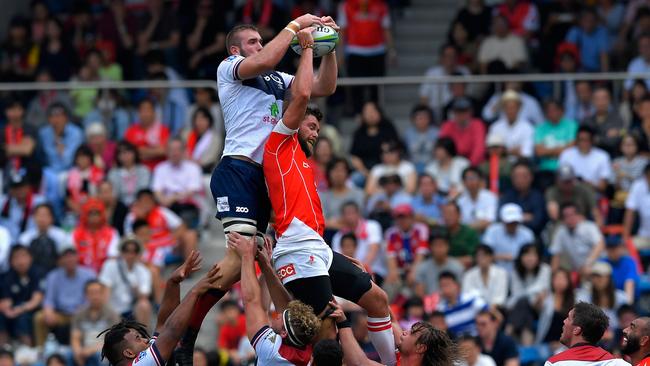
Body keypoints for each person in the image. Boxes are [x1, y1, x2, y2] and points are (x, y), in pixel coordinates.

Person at [187, 13, 339, 353]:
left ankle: (189, 323)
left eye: (260, 39)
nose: (259, 45)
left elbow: (323, 87)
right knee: (234, 260)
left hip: (264, 176)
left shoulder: (275, 78)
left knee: (249, 257)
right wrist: (296, 25)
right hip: (238, 169)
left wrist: (328, 48)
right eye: (252, 41)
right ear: (235, 49)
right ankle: (187, 327)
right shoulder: (229, 68)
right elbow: (268, 55)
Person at [261, 39, 396, 364]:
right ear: (293, 122)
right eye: (310, 124)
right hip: (296, 247)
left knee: (378, 299)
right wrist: (308, 47)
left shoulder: (306, 164)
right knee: (328, 330)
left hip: (316, 247)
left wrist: (330, 47)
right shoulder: (279, 146)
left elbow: (328, 86)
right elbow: (304, 93)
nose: (316, 132)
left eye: (319, 127)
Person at [98, 257, 221, 366]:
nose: (145, 339)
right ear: (129, 353)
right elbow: (172, 331)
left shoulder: (142, 357)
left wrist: (173, 282)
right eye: (137, 338)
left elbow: (163, 324)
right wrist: (194, 291)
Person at [228, 230, 321, 365]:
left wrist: (247, 256)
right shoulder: (307, 351)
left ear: (283, 333)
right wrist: (267, 266)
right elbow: (285, 311)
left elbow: (253, 302)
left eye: (280, 317)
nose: (278, 314)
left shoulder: (272, 351)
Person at [330, 300, 458, 366]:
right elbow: (390, 318)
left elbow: (358, 362)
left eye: (412, 332)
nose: (405, 331)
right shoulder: (404, 354)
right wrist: (366, 283)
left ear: (420, 348)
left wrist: (343, 322)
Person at [35, 248, 96, 347]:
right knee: (39, 318)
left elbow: (93, 296)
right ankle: (42, 350)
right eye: (66, 256)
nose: (69, 259)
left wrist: (84, 309)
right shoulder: (53, 276)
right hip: (61, 314)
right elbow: (49, 299)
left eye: (72, 256)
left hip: (83, 313)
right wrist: (48, 311)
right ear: (61, 260)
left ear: (77, 257)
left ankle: (89, 348)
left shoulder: (89, 274)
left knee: (94, 314)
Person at [545, 302, 629, 366]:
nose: (564, 321)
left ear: (576, 330)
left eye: (568, 318)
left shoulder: (555, 363)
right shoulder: (618, 364)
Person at [99, 237, 152, 324]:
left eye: (134, 251)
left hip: (131, 311)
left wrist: (134, 284)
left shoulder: (143, 271)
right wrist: (110, 313)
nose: (130, 255)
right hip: (113, 310)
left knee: (144, 305)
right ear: (121, 252)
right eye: (126, 250)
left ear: (138, 254)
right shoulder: (110, 265)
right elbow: (105, 293)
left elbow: (144, 296)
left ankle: (144, 334)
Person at [152, 138, 204, 227]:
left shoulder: (193, 168)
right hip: (166, 206)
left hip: (186, 206)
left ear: (184, 151)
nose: (174, 153)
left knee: (185, 220)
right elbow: (156, 191)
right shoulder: (160, 168)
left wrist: (172, 198)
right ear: (166, 151)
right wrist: (163, 201)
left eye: (178, 150)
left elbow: (191, 191)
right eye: (171, 150)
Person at [0, 245, 45, 346]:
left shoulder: (37, 273)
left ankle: (27, 348)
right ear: (11, 261)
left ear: (30, 258)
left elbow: (36, 300)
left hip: (31, 310)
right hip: (13, 310)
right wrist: (7, 310)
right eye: (16, 257)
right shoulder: (7, 276)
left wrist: (20, 309)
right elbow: (6, 301)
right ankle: (4, 349)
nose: (21, 261)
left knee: (23, 318)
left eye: (24, 256)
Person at [332, 201, 387, 283]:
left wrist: (362, 270)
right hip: (351, 274)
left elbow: (373, 250)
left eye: (352, 213)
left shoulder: (372, 226)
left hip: (374, 270)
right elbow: (339, 260)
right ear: (342, 216)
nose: (349, 216)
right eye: (346, 214)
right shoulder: (338, 236)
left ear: (359, 213)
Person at [507, 244, 552, 343]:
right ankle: (527, 344)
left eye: (533, 255)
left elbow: (543, 289)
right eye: (526, 255)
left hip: (539, 307)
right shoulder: (516, 272)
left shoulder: (545, 269)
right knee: (524, 305)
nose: (530, 258)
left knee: (523, 302)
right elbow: (517, 293)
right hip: (522, 307)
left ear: (538, 257)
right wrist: (531, 294)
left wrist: (529, 296)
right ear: (521, 257)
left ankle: (508, 332)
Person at [70, 280, 120, 366]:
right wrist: (78, 353)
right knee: (64, 354)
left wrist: (91, 350)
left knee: (102, 357)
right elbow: (75, 338)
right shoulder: (79, 314)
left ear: (103, 294)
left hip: (103, 349)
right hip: (83, 350)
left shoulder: (112, 315)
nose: (95, 296)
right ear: (85, 295)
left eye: (97, 292)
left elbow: (113, 341)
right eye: (91, 293)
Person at [550, 203, 605, 275]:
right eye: (567, 216)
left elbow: (600, 244)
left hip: (599, 264)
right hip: (579, 271)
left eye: (573, 214)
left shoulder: (589, 226)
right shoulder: (561, 232)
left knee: (589, 270)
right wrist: (553, 276)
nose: (571, 218)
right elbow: (555, 255)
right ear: (562, 219)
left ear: (578, 215)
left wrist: (588, 263)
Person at [558, 125, 613, 193]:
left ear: (592, 141)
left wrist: (587, 184)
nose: (583, 143)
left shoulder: (603, 156)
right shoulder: (566, 154)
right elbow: (559, 181)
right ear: (576, 140)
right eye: (581, 140)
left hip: (593, 192)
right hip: (570, 192)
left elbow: (602, 187)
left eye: (586, 140)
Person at [385, 204, 429, 286]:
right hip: (400, 269)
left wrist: (413, 271)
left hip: (418, 268)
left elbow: (421, 255)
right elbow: (391, 257)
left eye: (404, 217)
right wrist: (394, 272)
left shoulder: (421, 229)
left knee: (416, 278)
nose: (401, 220)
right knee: (389, 282)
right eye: (399, 217)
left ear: (412, 218)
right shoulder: (391, 233)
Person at [71, 199, 120, 273]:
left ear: (102, 215)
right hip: (81, 274)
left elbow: (113, 257)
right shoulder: (75, 234)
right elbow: (71, 257)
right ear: (85, 215)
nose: (94, 217)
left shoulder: (112, 233)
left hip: (105, 274)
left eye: (97, 213)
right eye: (90, 213)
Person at [414, 227, 465, 298]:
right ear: (430, 247)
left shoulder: (457, 267)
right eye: (435, 245)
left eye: (441, 245)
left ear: (448, 246)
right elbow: (420, 295)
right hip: (430, 306)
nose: (439, 249)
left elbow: (461, 292)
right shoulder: (422, 268)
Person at [482, 203, 535, 270]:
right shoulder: (492, 231)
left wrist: (517, 258)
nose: (512, 225)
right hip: (495, 271)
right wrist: (501, 257)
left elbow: (532, 256)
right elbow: (484, 255)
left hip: (520, 272)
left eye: (515, 222)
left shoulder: (527, 234)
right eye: (509, 222)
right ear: (503, 221)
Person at [437, 271, 488, 336]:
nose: (445, 289)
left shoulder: (471, 298)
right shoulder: (440, 309)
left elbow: (488, 313)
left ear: (456, 285)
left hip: (476, 340)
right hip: (456, 343)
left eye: (447, 285)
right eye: (442, 286)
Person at [124, 99, 170, 170]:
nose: (145, 114)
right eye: (142, 110)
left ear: (154, 113)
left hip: (159, 170)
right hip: (137, 171)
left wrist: (141, 152)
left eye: (148, 110)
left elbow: (164, 151)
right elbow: (128, 153)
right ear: (138, 113)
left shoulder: (163, 130)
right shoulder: (131, 131)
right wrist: (155, 151)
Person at [534, 99, 578, 174]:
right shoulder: (540, 128)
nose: (551, 113)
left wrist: (548, 152)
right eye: (548, 111)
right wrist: (561, 150)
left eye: (554, 110)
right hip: (546, 169)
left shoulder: (572, 126)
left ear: (562, 111)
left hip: (567, 168)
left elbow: (571, 149)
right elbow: (539, 152)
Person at [439, 97, 486, 166]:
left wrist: (468, 166)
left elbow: (479, 149)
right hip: (452, 163)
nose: (461, 115)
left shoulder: (477, 124)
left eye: (464, 111)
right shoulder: (447, 126)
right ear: (453, 113)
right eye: (458, 112)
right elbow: (442, 148)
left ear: (470, 112)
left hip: (473, 164)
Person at [488, 90, 535, 158]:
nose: (510, 111)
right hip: (501, 164)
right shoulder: (495, 127)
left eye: (513, 108)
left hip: (520, 164)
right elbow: (492, 151)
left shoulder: (527, 127)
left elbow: (527, 153)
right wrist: (512, 151)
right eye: (507, 108)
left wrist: (503, 151)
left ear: (519, 108)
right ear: (503, 109)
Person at [565, 8, 610, 73]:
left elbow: (604, 56)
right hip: (577, 71)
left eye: (591, 21)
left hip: (596, 71)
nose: (589, 24)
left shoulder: (601, 32)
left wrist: (604, 78)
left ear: (596, 22)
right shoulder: (574, 32)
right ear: (580, 21)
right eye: (586, 20)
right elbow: (567, 56)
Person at [108, 141, 152, 206]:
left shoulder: (144, 170)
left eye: (128, 152)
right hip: (120, 205)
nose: (125, 155)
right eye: (121, 153)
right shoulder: (113, 173)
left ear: (134, 153)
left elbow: (143, 191)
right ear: (117, 156)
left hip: (140, 204)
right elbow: (115, 194)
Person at [457, 167, 498, 232]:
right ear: (464, 182)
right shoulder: (460, 200)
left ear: (480, 180)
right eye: (468, 179)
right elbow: (458, 224)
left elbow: (489, 221)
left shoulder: (490, 197)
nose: (471, 182)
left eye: (473, 178)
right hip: (467, 236)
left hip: (486, 234)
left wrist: (467, 227)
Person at [442, 202, 480, 268]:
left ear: (459, 215)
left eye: (451, 214)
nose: (447, 217)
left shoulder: (469, 233)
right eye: (445, 214)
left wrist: (449, 262)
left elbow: (472, 258)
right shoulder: (440, 232)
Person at [603, 237, 639, 304]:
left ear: (621, 248)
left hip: (627, 298)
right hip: (608, 299)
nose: (613, 251)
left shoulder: (629, 261)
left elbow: (629, 283)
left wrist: (628, 304)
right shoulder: (602, 262)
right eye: (610, 248)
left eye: (615, 248)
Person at [624, 163, 650, 249]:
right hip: (644, 236)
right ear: (645, 176)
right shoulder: (638, 186)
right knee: (624, 250)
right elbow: (630, 212)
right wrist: (625, 238)